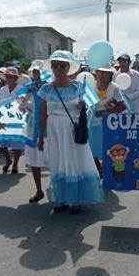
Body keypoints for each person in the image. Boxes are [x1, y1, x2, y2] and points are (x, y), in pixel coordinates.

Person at [38, 50, 103, 214]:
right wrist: (40, 136)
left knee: (74, 162)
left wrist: (83, 107)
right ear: (52, 68)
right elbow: (43, 114)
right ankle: (62, 199)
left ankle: (76, 200)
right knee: (58, 163)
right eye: (55, 65)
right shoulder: (46, 89)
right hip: (54, 131)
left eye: (62, 65)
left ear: (68, 67)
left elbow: (90, 109)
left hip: (71, 131)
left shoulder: (78, 87)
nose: (59, 69)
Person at [88, 66, 125, 178]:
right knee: (92, 149)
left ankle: (107, 171)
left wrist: (106, 111)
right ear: (96, 74)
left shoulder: (114, 87)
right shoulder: (91, 86)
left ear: (110, 75)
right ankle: (99, 170)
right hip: (93, 123)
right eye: (100, 73)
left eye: (105, 73)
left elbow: (122, 105)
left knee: (108, 148)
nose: (102, 76)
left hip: (109, 123)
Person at [23, 63, 49, 203]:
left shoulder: (50, 86)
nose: (36, 74)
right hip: (32, 128)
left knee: (53, 160)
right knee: (34, 161)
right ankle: (38, 190)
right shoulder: (28, 87)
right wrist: (26, 97)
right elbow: (20, 107)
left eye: (38, 71)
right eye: (34, 71)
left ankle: (56, 189)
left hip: (48, 129)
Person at [0, 67, 26, 174]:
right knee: (1, 143)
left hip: (16, 119)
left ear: (16, 78)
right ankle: (8, 159)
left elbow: (23, 104)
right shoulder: (2, 90)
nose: (9, 79)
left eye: (11, 77)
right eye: (7, 76)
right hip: (3, 119)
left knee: (17, 143)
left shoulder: (21, 90)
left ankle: (15, 164)